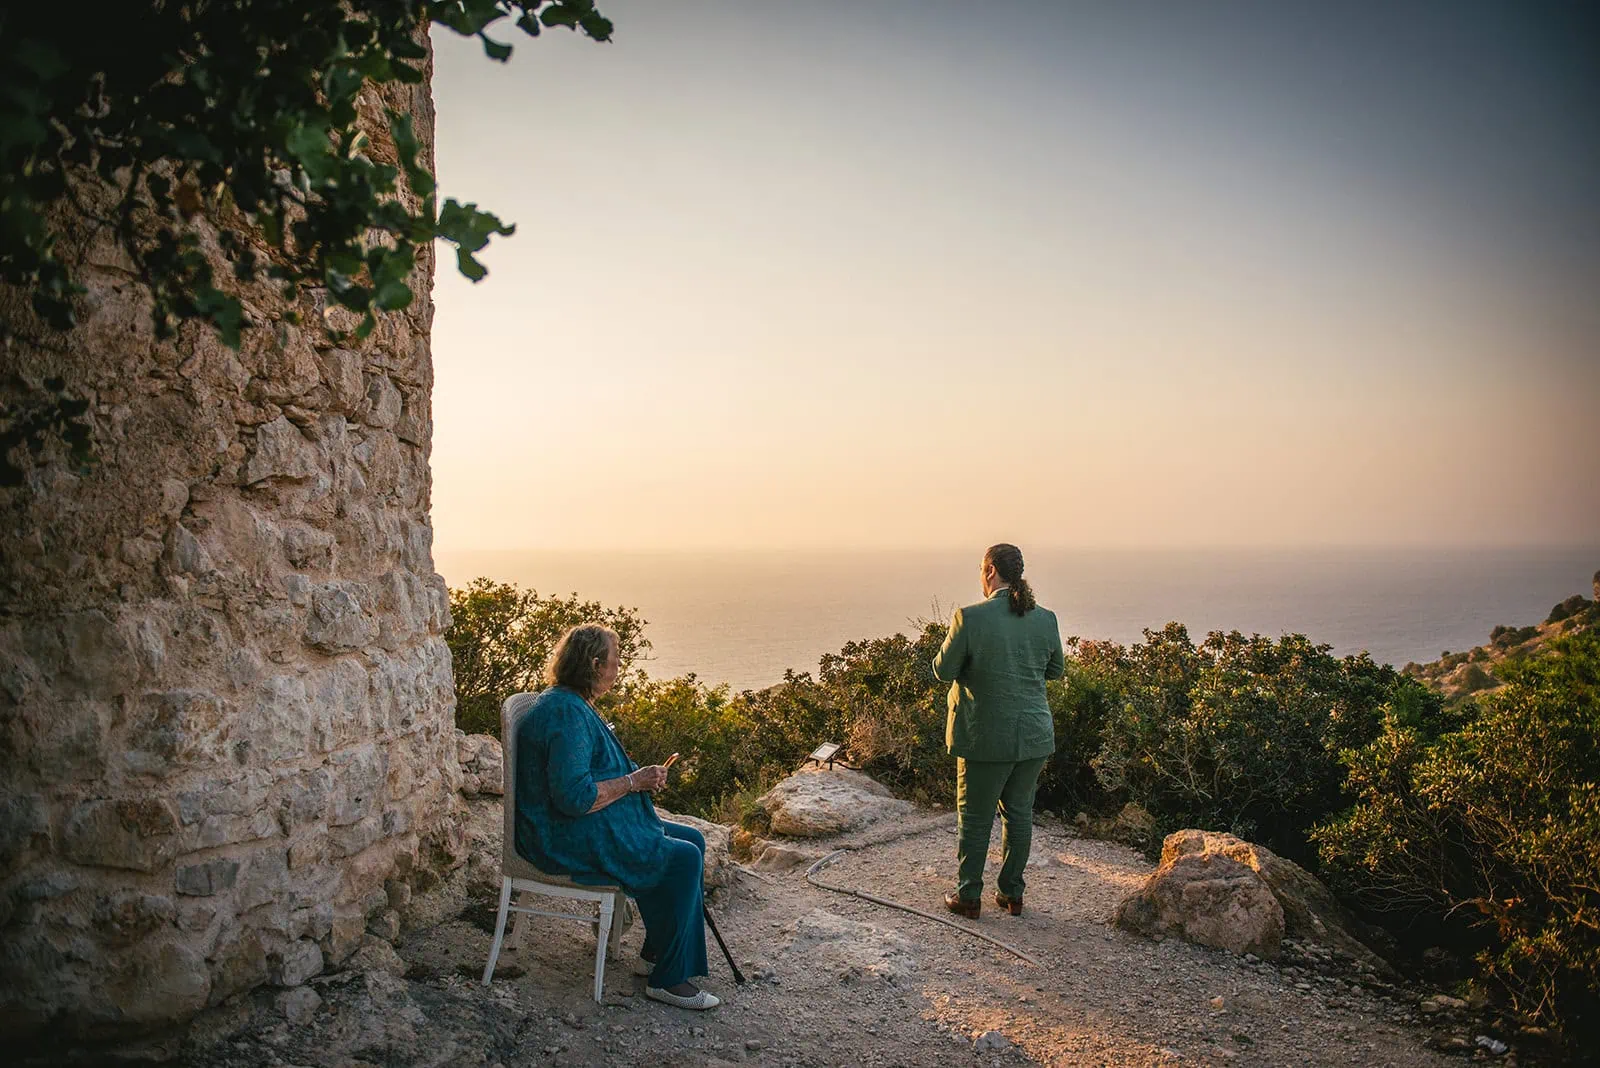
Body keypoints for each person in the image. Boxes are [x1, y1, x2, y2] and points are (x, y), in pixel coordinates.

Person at [512, 623, 719, 1010]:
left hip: (575, 824)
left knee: (694, 839)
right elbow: (574, 798)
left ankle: (654, 955)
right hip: (561, 836)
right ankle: (668, 981)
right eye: (615, 659)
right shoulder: (567, 714)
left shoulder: (570, 703)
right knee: (683, 858)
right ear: (594, 665)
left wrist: (638, 779)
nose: (620, 666)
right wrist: (632, 782)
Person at [931, 543, 1064, 919]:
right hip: (1034, 736)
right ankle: (1011, 894)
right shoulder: (1046, 618)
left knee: (974, 816)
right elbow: (1054, 671)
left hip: (983, 736)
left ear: (990, 571)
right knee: (1019, 814)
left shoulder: (969, 618)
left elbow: (942, 670)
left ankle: (968, 896)